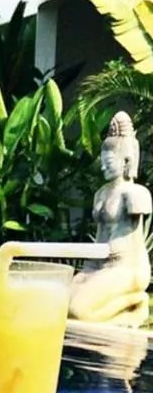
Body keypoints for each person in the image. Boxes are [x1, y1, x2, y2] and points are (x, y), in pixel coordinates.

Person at [69, 112, 152, 327]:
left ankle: (136, 303)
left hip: (126, 266)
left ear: (126, 161)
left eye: (108, 162)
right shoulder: (100, 193)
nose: (103, 167)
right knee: (60, 304)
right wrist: (88, 268)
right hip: (97, 264)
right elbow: (99, 236)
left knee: (77, 311)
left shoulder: (135, 193)